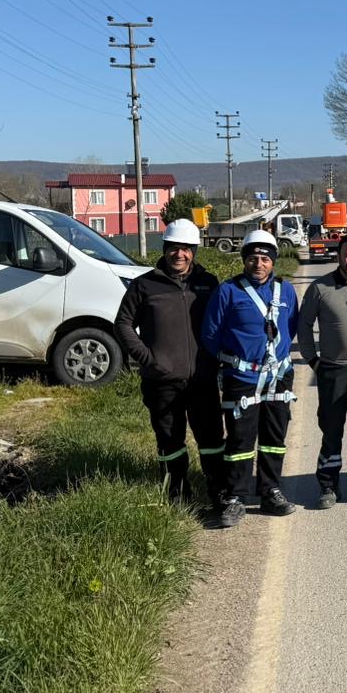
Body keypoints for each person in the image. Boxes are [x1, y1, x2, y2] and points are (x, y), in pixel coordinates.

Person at [114, 218, 225, 510]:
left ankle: (218, 490)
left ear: (194, 251)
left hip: (202, 378)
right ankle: (178, 493)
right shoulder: (145, 285)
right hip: (161, 381)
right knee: (169, 440)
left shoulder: (208, 283)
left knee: (212, 438)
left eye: (186, 249)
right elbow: (123, 324)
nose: (180, 254)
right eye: (174, 248)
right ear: (165, 250)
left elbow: (223, 322)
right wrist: (148, 359)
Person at [201, 229, 299, 525]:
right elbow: (210, 334)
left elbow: (291, 326)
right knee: (241, 438)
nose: (259, 263)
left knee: (274, 438)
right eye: (253, 258)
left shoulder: (286, 290)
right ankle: (236, 497)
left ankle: (270, 491)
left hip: (278, 377)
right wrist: (237, 360)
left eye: (265, 258)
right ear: (245, 260)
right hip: (241, 377)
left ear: (273, 262)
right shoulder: (228, 291)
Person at [297, 233, 347, 507]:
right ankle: (328, 486)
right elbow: (304, 326)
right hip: (333, 370)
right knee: (332, 430)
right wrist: (313, 360)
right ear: (338, 256)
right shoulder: (320, 288)